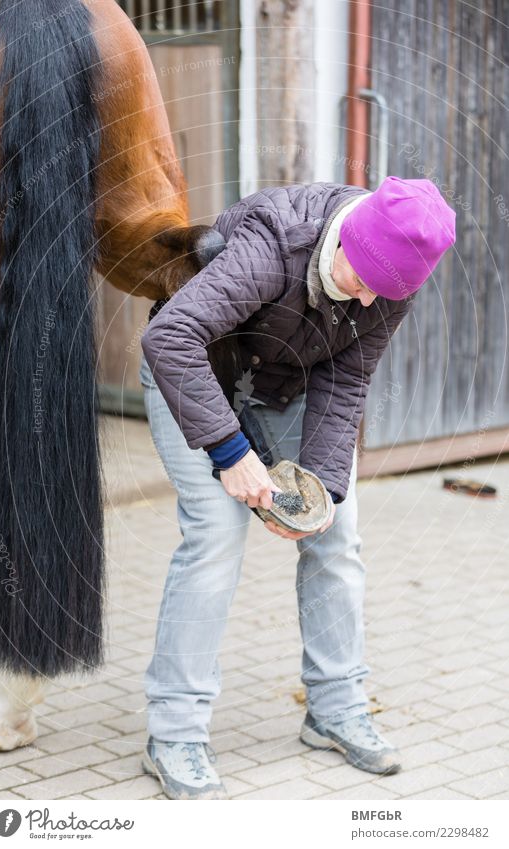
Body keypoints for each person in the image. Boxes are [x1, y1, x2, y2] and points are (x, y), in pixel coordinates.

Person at [139, 176, 456, 799]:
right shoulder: (273, 246)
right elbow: (169, 340)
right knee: (216, 535)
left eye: (383, 294)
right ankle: (174, 732)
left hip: (285, 384)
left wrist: (324, 494)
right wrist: (230, 453)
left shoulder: (390, 283)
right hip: (196, 373)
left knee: (336, 534)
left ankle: (334, 709)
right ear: (347, 240)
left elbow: (346, 384)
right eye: (363, 282)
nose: (369, 302)